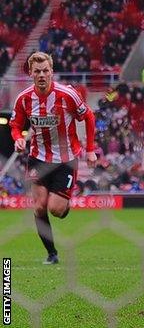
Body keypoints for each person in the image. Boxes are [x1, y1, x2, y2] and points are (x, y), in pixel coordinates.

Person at [9, 52, 96, 264]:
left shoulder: (68, 95)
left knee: (56, 209)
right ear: (30, 73)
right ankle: (52, 253)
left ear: (52, 72)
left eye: (45, 70)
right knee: (39, 207)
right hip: (38, 158)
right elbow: (15, 125)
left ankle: (65, 204)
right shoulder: (24, 99)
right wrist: (18, 139)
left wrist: (91, 149)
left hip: (65, 159)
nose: (41, 75)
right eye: (37, 71)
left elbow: (89, 116)